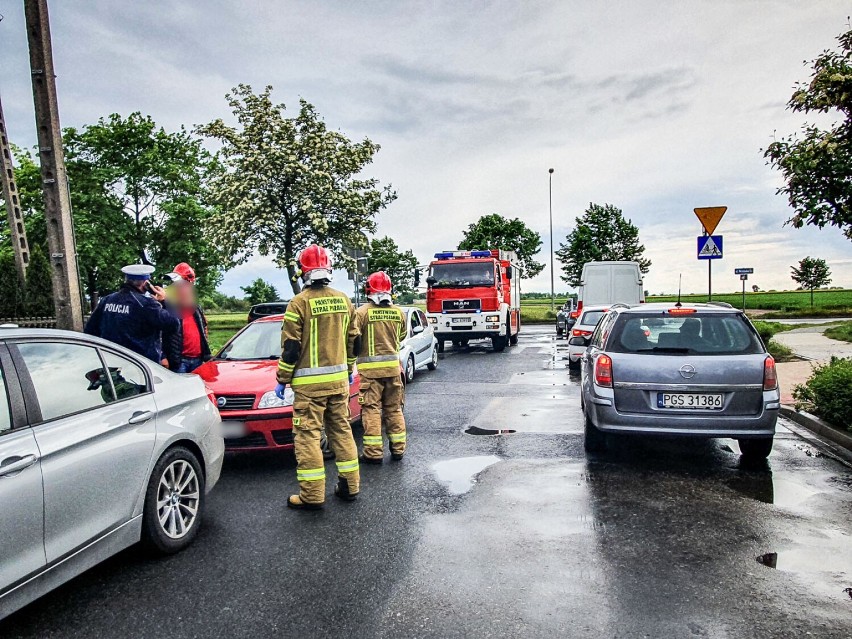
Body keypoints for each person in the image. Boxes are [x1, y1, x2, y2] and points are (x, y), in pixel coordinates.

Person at [275, 244, 361, 510]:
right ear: (329, 270)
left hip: (309, 390)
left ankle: (312, 495)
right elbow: (354, 341)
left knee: (308, 437)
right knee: (342, 432)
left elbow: (291, 348)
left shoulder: (298, 303)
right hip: (338, 383)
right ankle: (350, 486)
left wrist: (282, 378)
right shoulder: (344, 300)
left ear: (303, 272)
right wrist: (347, 370)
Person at [353, 271, 407, 464]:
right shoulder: (398, 312)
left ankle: (373, 453)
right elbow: (401, 336)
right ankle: (398, 449)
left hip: (370, 374)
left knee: (372, 410)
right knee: (394, 409)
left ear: (368, 289)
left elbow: (354, 340)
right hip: (394, 371)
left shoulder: (361, 313)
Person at [84, 265, 178, 363]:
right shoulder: (146, 304)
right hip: (140, 364)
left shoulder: (107, 300)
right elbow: (174, 324)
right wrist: (165, 301)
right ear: (146, 283)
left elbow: (90, 330)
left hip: (110, 361)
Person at [161, 262, 211, 373]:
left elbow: (204, 330)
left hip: (198, 360)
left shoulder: (196, 308)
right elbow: (158, 334)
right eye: (178, 285)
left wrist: (206, 354)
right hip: (179, 361)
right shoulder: (168, 307)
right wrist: (162, 356)